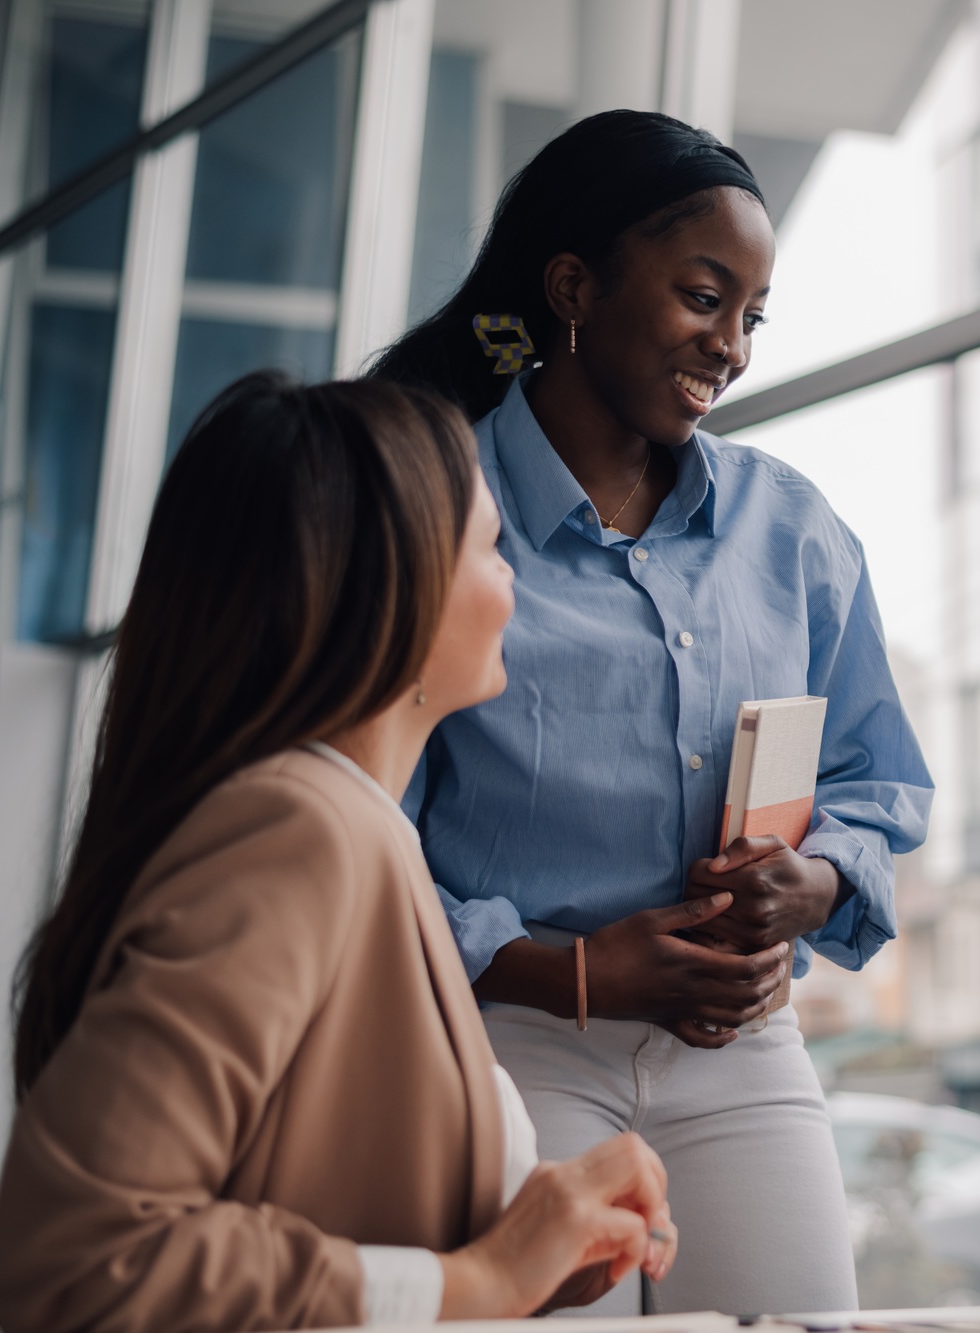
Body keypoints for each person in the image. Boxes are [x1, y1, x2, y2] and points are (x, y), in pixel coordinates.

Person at [369, 110, 932, 1315]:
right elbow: (370, 836)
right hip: (510, 1041)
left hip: (738, 1049)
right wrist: (564, 969)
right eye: (701, 297)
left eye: (752, 315)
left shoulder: (793, 531)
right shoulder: (436, 513)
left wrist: (814, 883)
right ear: (573, 287)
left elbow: (877, 785)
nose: (730, 346)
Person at [0, 375, 679, 1332]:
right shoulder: (300, 829)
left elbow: (338, 1205)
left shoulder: (364, 829)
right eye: (487, 544)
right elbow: (80, 1258)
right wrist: (480, 1282)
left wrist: (538, 1246)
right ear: (387, 586)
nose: (514, 574)